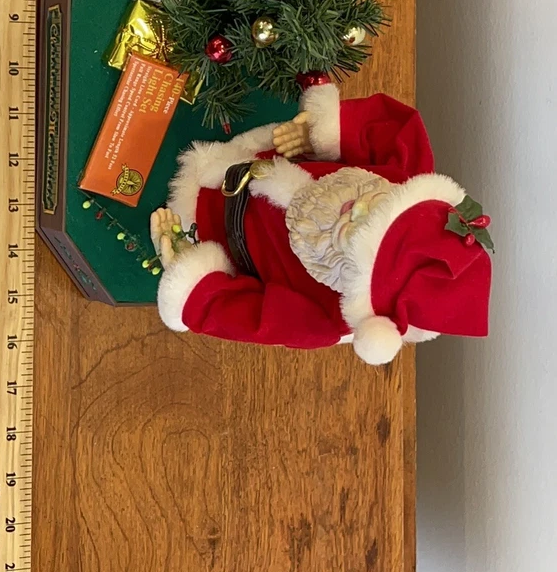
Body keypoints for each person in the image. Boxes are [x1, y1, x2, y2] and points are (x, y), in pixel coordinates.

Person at [151, 83, 492, 366]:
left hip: (206, 228)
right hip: (244, 150)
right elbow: (392, 129)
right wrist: (316, 133)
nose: (356, 209)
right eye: (377, 205)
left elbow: (249, 317)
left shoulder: (326, 319)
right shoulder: (406, 176)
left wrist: (190, 275)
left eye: (355, 234)